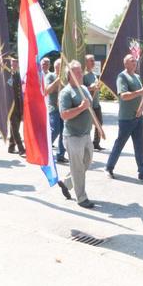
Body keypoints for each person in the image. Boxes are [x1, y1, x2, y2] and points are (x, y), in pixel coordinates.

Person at [105, 54, 143, 181]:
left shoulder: (137, 77)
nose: (135, 62)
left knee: (140, 146)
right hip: (126, 118)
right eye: (132, 61)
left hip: (138, 117)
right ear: (125, 63)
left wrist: (141, 108)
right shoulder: (122, 77)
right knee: (120, 144)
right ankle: (109, 167)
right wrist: (140, 92)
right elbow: (124, 96)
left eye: (135, 60)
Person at [58, 60, 95, 208]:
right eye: (78, 72)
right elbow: (64, 115)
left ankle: (66, 183)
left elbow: (90, 107)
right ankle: (81, 198)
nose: (81, 75)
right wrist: (80, 107)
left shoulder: (84, 88)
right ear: (70, 75)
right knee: (78, 168)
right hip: (73, 136)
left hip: (86, 134)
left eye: (81, 72)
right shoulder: (66, 93)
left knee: (87, 161)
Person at [44, 58, 67, 163]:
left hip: (64, 108)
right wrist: (57, 81)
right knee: (55, 130)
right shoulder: (50, 76)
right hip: (53, 108)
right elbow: (47, 90)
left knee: (64, 132)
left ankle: (61, 155)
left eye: (62, 67)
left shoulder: (66, 78)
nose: (60, 69)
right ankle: (45, 149)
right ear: (55, 67)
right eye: (59, 67)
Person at [83, 54, 104, 151]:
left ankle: (96, 143)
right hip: (88, 105)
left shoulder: (94, 74)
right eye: (91, 60)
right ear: (86, 62)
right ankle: (85, 143)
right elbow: (81, 88)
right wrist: (91, 88)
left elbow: (96, 87)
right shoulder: (83, 75)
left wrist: (98, 86)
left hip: (96, 103)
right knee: (87, 125)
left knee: (99, 123)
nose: (93, 62)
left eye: (93, 60)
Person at [8, 57, 25, 155]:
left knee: (15, 126)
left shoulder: (19, 75)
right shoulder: (8, 75)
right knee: (14, 126)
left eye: (16, 62)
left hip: (19, 104)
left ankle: (11, 146)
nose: (14, 64)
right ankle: (20, 147)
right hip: (11, 105)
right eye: (13, 62)